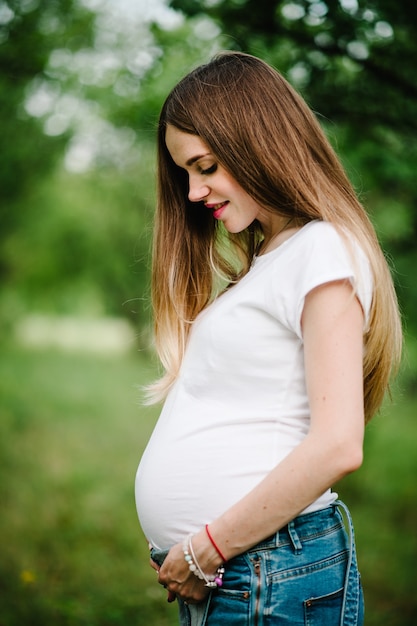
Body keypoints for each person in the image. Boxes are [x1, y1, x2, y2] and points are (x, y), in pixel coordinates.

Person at [135, 51, 402, 626]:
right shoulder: (272, 261)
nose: (192, 192)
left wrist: (206, 548)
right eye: (185, 173)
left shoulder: (321, 248)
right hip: (245, 573)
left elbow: (338, 444)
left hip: (265, 570)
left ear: (259, 142)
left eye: (205, 166)